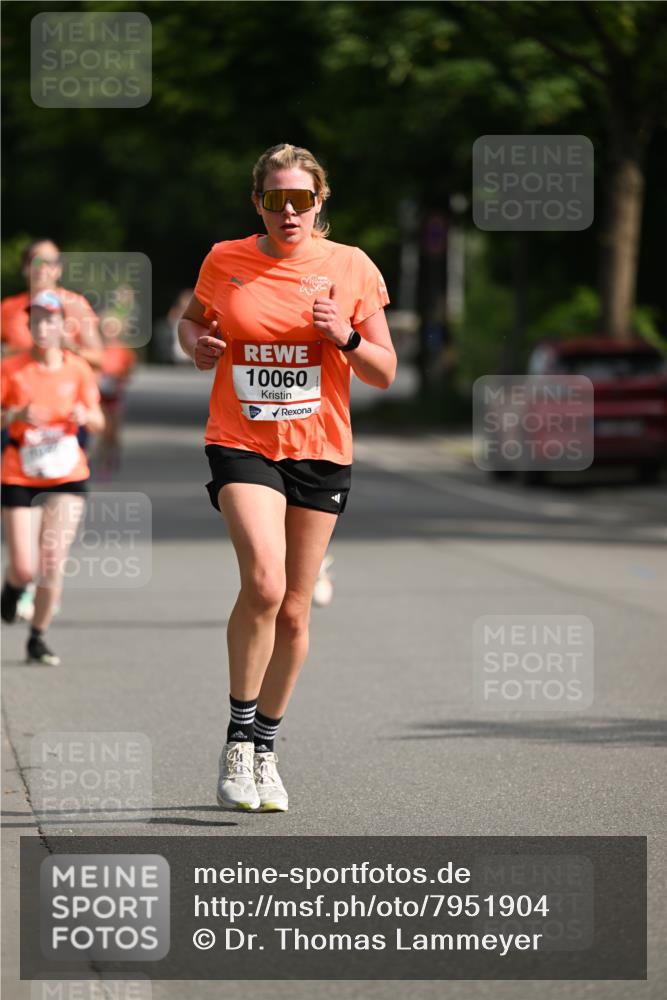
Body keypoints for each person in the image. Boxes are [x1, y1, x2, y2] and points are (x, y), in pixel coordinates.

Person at [178, 142, 395, 812]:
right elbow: (192, 324)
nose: (289, 211)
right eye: (276, 199)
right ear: (258, 203)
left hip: (320, 450)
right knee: (265, 585)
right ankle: (237, 741)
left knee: (296, 610)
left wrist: (346, 337)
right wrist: (198, 346)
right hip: (242, 441)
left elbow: (384, 370)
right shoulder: (226, 260)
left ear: (319, 200)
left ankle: (266, 748)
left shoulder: (351, 267)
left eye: (301, 199)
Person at [1, 291, 105, 665]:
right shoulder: (12, 369)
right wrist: (15, 415)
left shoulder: (78, 369)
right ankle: (13, 586)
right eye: (36, 321)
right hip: (20, 473)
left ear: (63, 326)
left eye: (50, 320)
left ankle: (38, 637)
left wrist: (85, 416)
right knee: (25, 565)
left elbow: (99, 420)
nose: (43, 327)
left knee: (52, 563)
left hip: (67, 474)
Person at [1, 239, 103, 368]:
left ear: (59, 269)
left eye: (50, 262)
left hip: (64, 379)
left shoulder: (76, 304)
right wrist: (10, 353)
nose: (43, 268)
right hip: (18, 379)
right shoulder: (9, 307)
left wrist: (70, 348)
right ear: (25, 267)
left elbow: (99, 359)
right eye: (37, 261)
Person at [95, 286, 138, 479]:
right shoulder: (97, 349)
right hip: (98, 396)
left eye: (113, 327)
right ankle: (103, 462)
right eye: (107, 327)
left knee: (114, 432)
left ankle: (113, 455)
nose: (109, 331)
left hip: (115, 396)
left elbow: (129, 373)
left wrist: (119, 379)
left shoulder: (124, 351)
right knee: (102, 430)